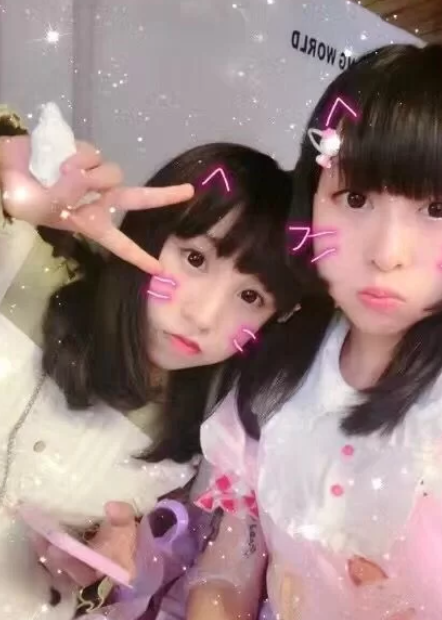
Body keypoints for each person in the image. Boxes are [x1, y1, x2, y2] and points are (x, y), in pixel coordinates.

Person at [186, 44, 442, 620]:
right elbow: (227, 568)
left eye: (437, 209)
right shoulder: (277, 373)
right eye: (355, 198)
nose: (387, 253)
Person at [0, 111, 302, 619]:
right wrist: (12, 187)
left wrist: (109, 572)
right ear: (150, 230)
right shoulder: (25, 270)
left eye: (250, 296)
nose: (202, 316)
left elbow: (151, 579)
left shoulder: (212, 434)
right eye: (196, 259)